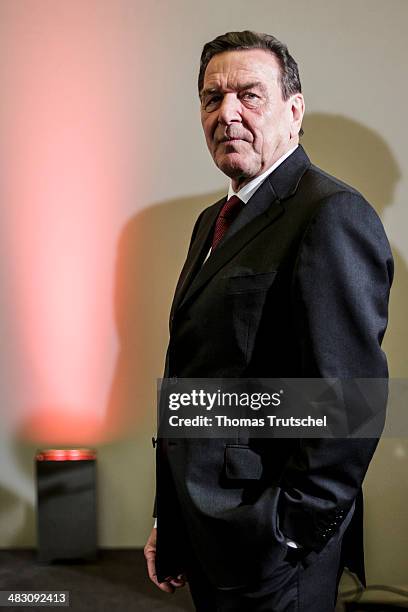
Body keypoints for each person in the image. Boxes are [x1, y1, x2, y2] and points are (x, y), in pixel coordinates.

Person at [144, 30, 393, 611]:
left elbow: (352, 404)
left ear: (293, 110)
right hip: (205, 530)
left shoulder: (331, 215)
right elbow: (193, 378)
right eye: (212, 98)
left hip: (272, 550)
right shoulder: (213, 220)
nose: (227, 113)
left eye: (249, 95)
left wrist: (286, 532)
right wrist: (170, 516)